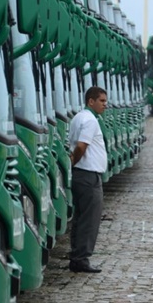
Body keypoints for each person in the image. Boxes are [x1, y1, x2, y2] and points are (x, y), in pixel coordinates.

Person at [68, 86, 108, 273]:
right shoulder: (91, 120)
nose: (105, 105)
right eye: (102, 101)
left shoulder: (78, 117)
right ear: (91, 101)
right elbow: (82, 146)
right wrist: (74, 162)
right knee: (90, 219)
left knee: (80, 216)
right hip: (88, 175)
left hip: (81, 174)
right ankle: (81, 258)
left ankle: (75, 255)